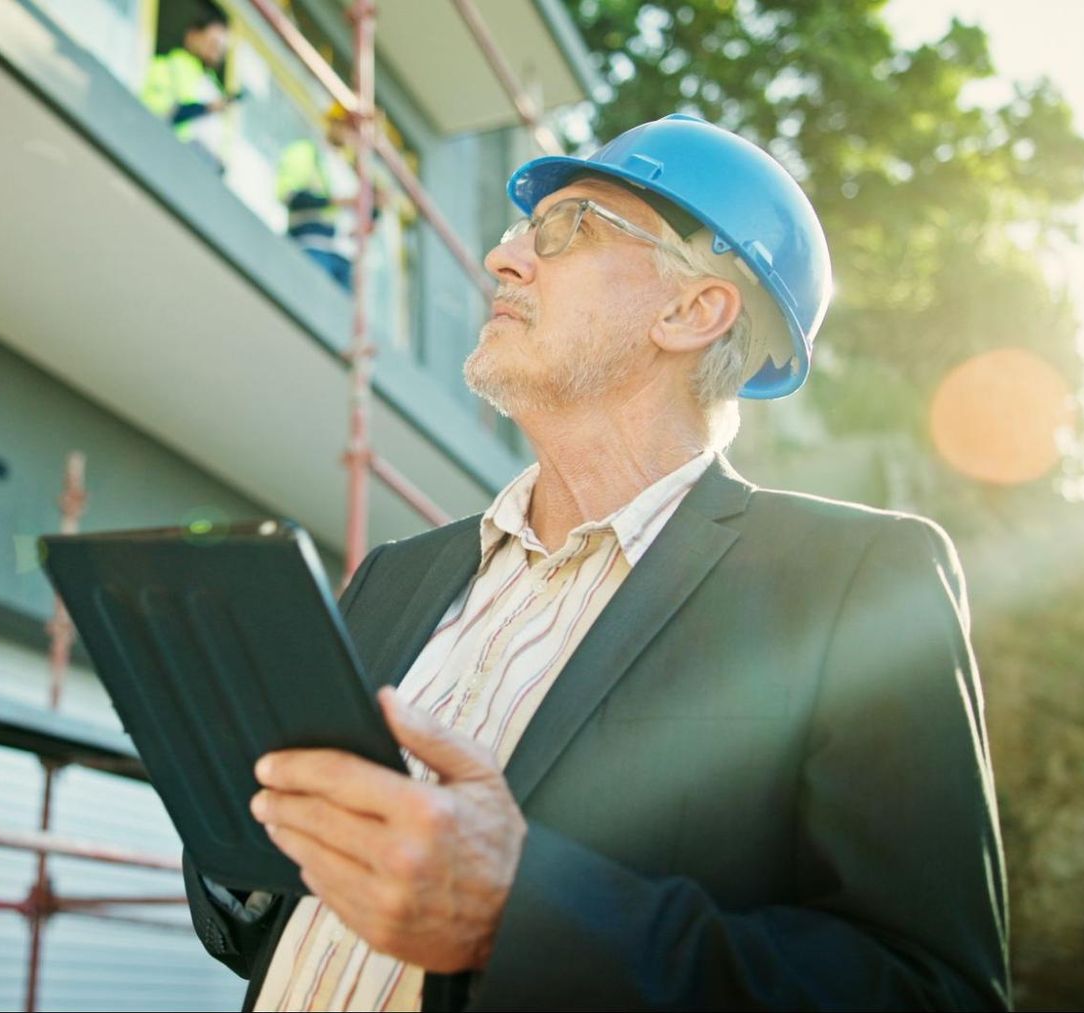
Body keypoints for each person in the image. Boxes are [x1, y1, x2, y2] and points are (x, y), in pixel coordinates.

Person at [183, 114, 1011, 1011]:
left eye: (567, 229)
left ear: (692, 310)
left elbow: (933, 994)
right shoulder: (395, 576)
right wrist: (253, 843)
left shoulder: (851, 584)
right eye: (515, 235)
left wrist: (519, 912)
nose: (503, 261)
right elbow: (260, 925)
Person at [140, 3, 239, 174]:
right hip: (165, 160)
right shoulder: (167, 66)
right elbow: (155, 114)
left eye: (220, 50)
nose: (215, 53)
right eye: (212, 44)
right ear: (192, 36)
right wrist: (204, 108)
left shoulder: (215, 91)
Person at [275, 105, 366, 290]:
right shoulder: (306, 152)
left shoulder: (350, 173)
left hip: (343, 257)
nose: (351, 133)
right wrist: (338, 201)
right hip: (311, 245)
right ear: (332, 123)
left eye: (354, 128)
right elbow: (289, 197)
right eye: (347, 125)